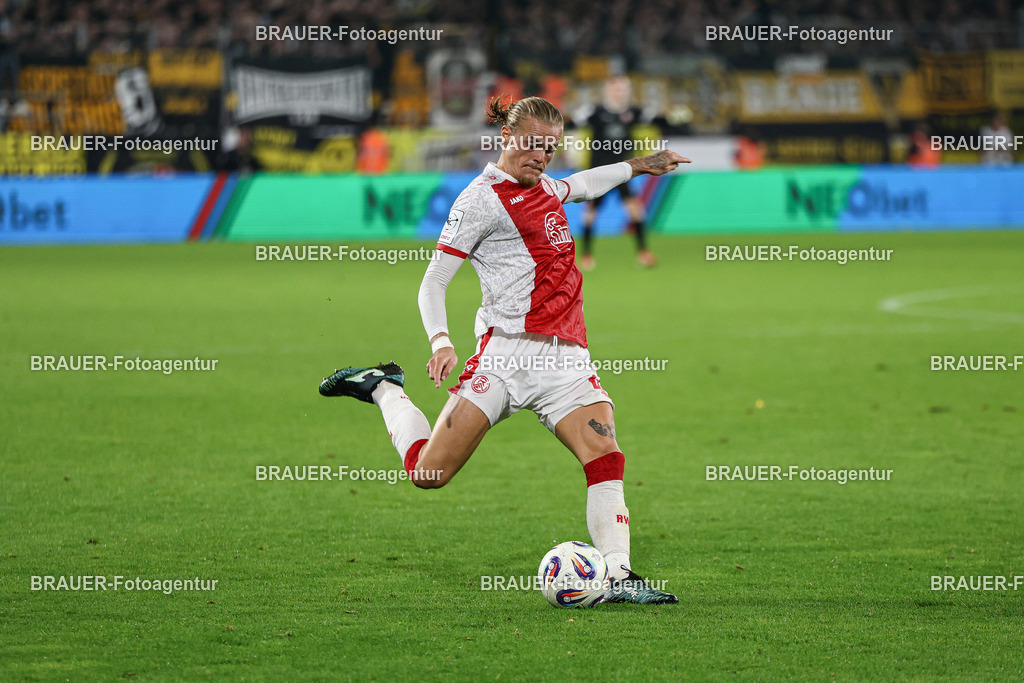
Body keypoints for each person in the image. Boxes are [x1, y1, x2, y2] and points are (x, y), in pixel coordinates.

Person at [319, 95, 689, 604]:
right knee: (429, 473)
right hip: (505, 359)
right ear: (506, 140)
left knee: (604, 453)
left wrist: (641, 166)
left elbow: (582, 185)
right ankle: (383, 387)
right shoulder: (479, 201)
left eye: (551, 147)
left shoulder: (546, 188)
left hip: (566, 358)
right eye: (533, 144)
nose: (541, 155)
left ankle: (620, 574)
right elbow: (433, 282)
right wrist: (441, 342)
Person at [577, 75, 657, 270]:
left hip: (622, 172)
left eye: (623, 89)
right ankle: (586, 255)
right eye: (616, 89)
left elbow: (658, 119)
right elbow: (573, 123)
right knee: (590, 214)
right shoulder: (595, 112)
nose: (620, 93)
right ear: (607, 91)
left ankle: (643, 252)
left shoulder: (633, 113)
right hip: (599, 173)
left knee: (636, 211)